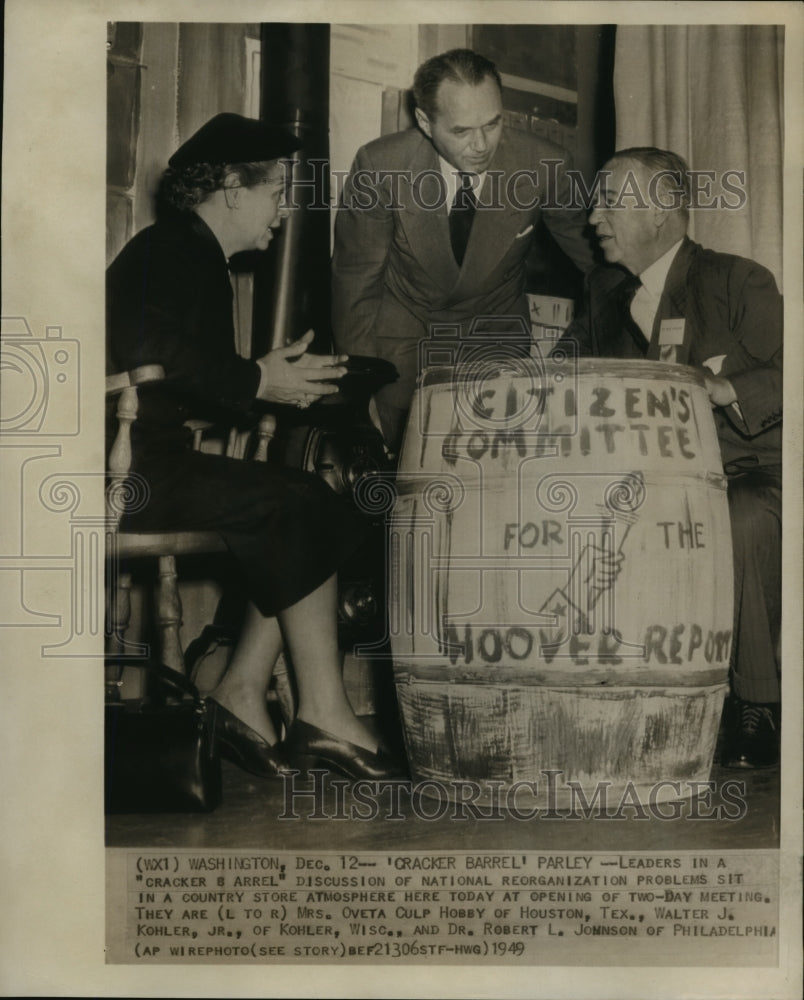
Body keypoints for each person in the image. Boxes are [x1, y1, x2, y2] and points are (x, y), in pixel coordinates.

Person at [107, 112, 403, 781]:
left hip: (154, 462)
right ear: (233, 190)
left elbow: (187, 371)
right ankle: (322, 711)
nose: (284, 210)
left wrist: (274, 379)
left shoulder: (194, 254)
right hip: (126, 472)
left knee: (315, 500)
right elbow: (149, 352)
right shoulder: (167, 250)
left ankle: (242, 690)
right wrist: (258, 379)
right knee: (294, 501)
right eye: (276, 192)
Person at [556, 146, 782, 769]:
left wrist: (726, 387)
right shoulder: (602, 289)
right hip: (652, 480)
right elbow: (562, 372)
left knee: (741, 514)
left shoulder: (738, 280)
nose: (593, 217)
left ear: (659, 210)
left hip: (748, 474)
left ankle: (759, 703)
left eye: (609, 201)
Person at [331, 48, 595, 453]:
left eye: (493, 124)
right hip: (404, 339)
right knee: (407, 464)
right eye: (461, 131)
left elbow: (597, 258)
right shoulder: (381, 166)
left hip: (496, 335)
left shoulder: (546, 164)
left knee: (493, 466)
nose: (481, 145)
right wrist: (360, 387)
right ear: (425, 122)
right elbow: (356, 283)